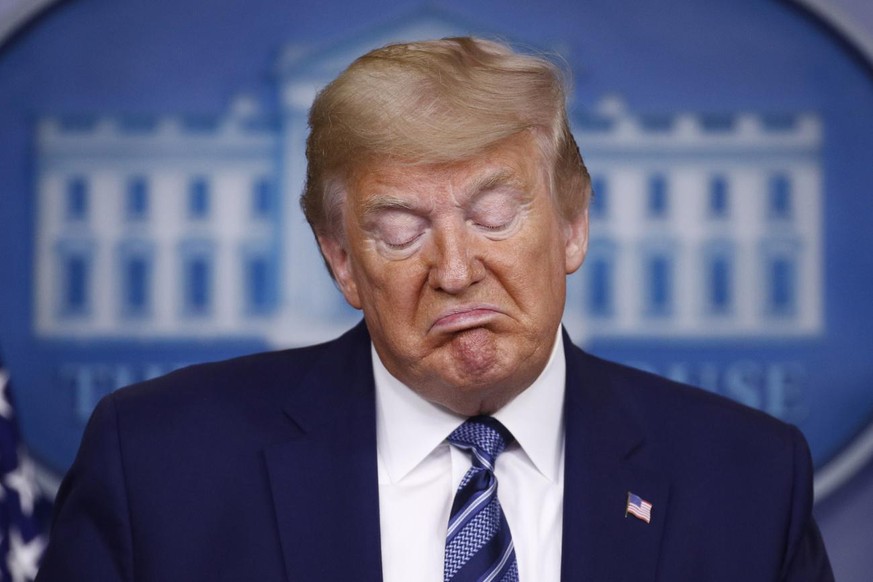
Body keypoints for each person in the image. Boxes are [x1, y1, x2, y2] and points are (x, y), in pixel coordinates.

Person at [37, 37, 833, 581]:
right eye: (399, 230)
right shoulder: (157, 465)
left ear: (572, 225)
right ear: (341, 260)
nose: (454, 270)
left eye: (494, 214)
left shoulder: (749, 480)